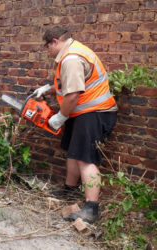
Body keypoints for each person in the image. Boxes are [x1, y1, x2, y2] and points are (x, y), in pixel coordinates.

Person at [34, 26, 118, 223]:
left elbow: (72, 95)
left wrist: (60, 117)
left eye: (47, 46)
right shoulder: (73, 52)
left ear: (54, 41)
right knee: (74, 152)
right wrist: (48, 90)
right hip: (83, 112)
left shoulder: (71, 58)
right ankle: (69, 191)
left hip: (94, 113)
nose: (48, 50)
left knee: (86, 159)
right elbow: (71, 85)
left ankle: (91, 208)